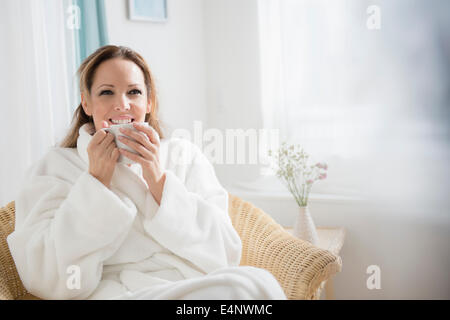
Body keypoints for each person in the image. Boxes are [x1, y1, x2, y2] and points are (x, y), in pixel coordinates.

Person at [6, 45, 287, 300]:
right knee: (241, 289)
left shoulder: (183, 155)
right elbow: (44, 277)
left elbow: (224, 253)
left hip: (192, 289)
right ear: (87, 103)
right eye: (107, 92)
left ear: (149, 102)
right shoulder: (55, 167)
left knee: (256, 283)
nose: (122, 104)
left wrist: (158, 179)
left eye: (134, 92)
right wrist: (95, 184)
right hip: (113, 294)